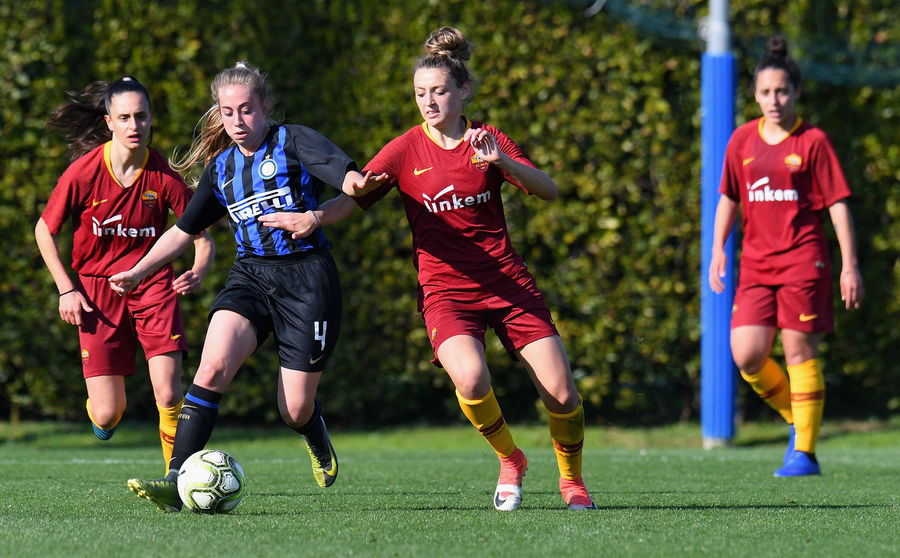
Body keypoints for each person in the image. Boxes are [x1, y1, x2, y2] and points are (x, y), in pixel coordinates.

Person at [335, 26, 596, 511]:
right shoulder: (405, 149)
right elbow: (355, 194)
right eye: (420, 93)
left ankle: (572, 482)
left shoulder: (487, 140)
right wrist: (319, 212)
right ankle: (511, 459)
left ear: (463, 91)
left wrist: (503, 163)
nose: (428, 102)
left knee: (562, 394)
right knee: (472, 380)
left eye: (438, 92)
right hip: (447, 292)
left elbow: (549, 189)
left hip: (507, 284)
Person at [110, 62, 388, 512]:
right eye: (227, 112)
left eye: (246, 110)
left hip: (308, 280)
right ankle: (175, 482)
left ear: (266, 106)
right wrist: (139, 271)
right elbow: (183, 231)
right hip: (251, 276)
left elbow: (350, 185)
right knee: (210, 367)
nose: (237, 121)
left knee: (294, 409)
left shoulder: (294, 141)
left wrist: (325, 208)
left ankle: (313, 430)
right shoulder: (220, 168)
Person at [34, 76, 215, 472]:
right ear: (109, 122)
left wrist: (198, 270)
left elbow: (202, 237)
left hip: (153, 285)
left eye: (142, 116)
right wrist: (66, 290)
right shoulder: (84, 172)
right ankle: (102, 414)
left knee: (169, 393)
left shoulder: (163, 175)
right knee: (107, 413)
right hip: (96, 293)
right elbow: (44, 230)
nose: (135, 125)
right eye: (125, 118)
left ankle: (176, 479)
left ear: (151, 119)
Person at [709, 36, 864, 477]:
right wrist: (718, 249)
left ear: (796, 92)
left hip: (803, 261)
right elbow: (729, 197)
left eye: (781, 91)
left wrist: (850, 265)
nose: (774, 100)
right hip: (757, 265)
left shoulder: (813, 141)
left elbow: (837, 204)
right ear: (755, 96)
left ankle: (805, 455)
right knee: (747, 355)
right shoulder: (742, 140)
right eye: (765, 92)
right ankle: (800, 419)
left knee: (798, 352)